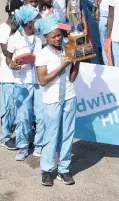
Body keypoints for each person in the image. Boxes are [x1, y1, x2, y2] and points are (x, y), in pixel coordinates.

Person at [35, 14, 80, 186]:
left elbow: (72, 77)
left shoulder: (66, 50)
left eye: (59, 35)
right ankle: (46, 170)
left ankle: (63, 169)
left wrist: (77, 62)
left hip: (69, 96)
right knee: (51, 135)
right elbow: (42, 80)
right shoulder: (42, 55)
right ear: (45, 37)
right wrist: (62, 65)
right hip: (52, 99)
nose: (57, 38)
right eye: (53, 36)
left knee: (67, 134)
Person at [6, 5, 43, 161]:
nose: (40, 23)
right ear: (29, 23)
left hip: (40, 83)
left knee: (41, 116)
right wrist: (11, 64)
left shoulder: (40, 37)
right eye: (37, 20)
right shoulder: (14, 39)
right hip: (22, 84)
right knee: (24, 117)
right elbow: (8, 56)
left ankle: (40, 145)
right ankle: (22, 146)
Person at [0, 0, 23, 150]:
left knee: (18, 107)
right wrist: (13, 32)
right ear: (13, 13)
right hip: (7, 76)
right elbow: (6, 52)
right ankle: (5, 137)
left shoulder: (22, 27)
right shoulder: (2, 29)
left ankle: (20, 135)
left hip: (19, 75)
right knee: (8, 108)